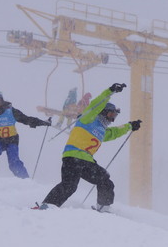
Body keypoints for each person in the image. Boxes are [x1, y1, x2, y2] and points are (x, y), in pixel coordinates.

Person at [37, 83, 141, 212]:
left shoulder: (102, 131)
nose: (112, 119)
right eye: (110, 115)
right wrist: (110, 91)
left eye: (114, 117)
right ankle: (48, 205)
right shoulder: (88, 119)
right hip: (73, 157)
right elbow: (96, 104)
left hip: (87, 162)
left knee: (105, 180)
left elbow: (115, 132)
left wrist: (130, 126)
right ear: (103, 112)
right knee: (70, 186)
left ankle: (103, 208)